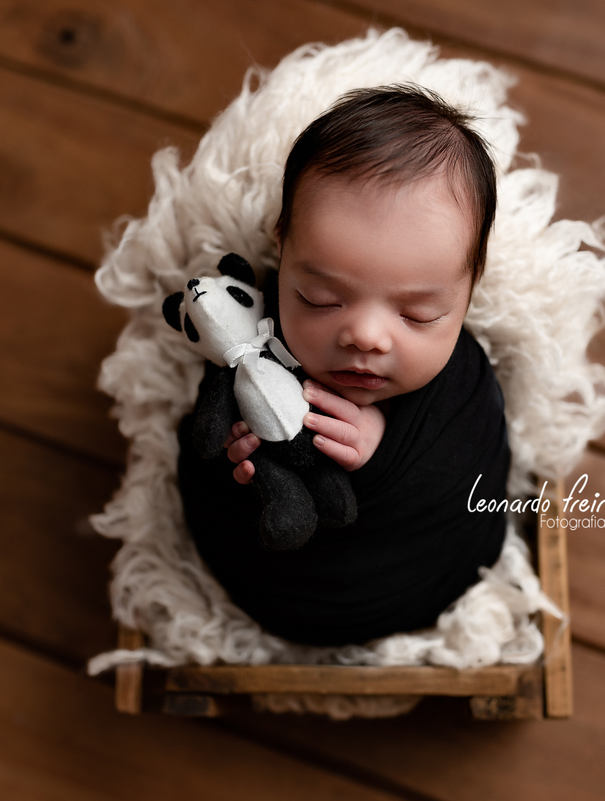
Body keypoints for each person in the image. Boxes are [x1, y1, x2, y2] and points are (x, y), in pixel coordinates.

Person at [177, 85, 511, 647]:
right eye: (321, 299)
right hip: (271, 581)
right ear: (282, 251)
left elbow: (475, 477)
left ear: (470, 286)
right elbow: (201, 447)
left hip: (415, 579)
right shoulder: (252, 341)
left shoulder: (463, 384)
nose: (366, 337)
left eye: (419, 314)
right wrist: (241, 465)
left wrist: (381, 456)